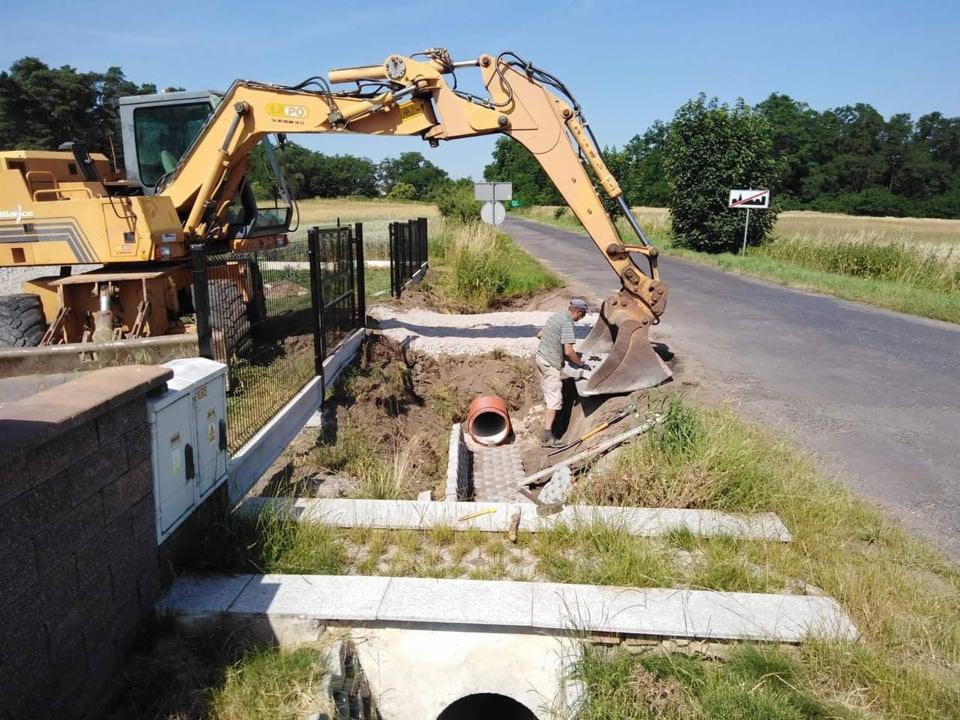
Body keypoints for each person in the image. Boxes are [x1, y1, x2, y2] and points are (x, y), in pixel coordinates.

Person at [535, 298, 588, 447]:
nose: (580, 319)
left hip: (540, 358)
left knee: (549, 393)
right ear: (577, 311)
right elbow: (569, 350)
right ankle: (547, 436)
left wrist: (553, 346)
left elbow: (540, 334)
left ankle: (548, 424)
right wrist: (580, 363)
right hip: (550, 363)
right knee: (555, 399)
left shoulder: (557, 316)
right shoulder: (567, 323)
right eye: (582, 316)